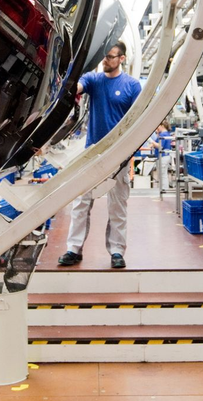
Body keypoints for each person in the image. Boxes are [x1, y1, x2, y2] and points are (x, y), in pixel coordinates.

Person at [58, 41, 142, 269]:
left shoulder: (132, 86)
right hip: (93, 152)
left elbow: (138, 122)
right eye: (105, 57)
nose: (106, 61)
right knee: (80, 202)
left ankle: (116, 251)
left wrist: (131, 155)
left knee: (117, 206)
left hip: (119, 155)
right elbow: (78, 86)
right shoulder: (94, 80)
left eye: (111, 57)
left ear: (122, 59)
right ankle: (73, 249)